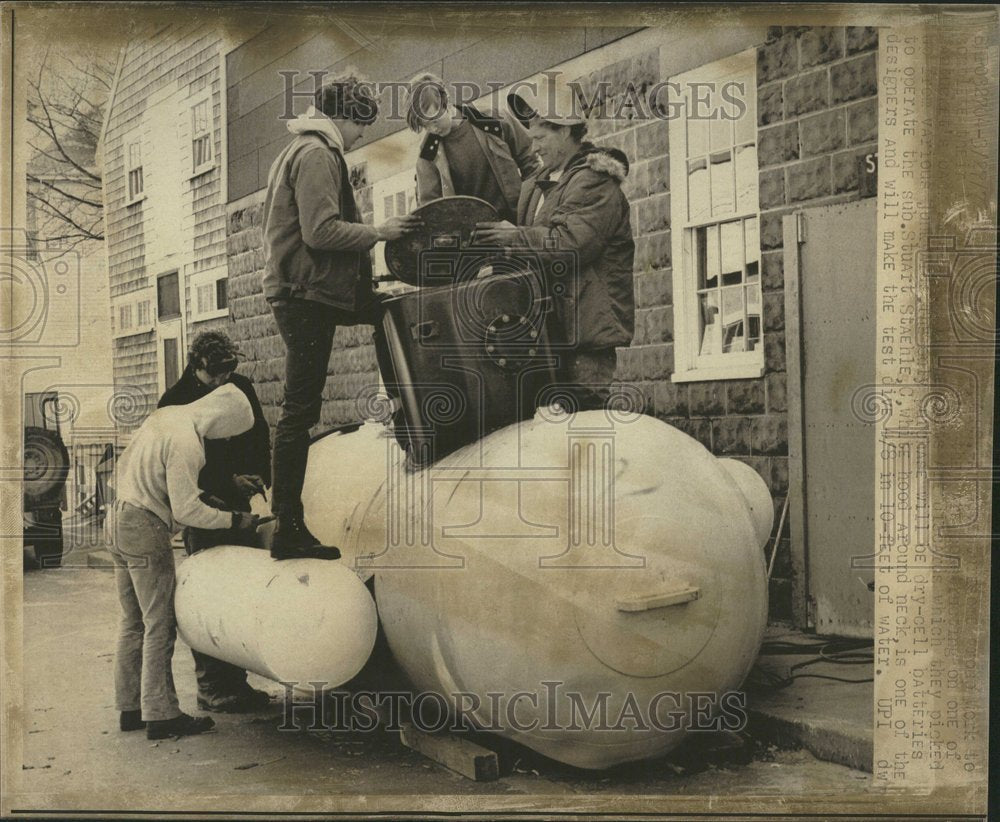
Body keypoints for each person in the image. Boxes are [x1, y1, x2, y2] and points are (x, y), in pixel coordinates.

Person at [262, 73, 420, 558]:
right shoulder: (316, 154)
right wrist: (381, 231)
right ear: (348, 117)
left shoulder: (304, 150)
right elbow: (321, 232)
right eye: (360, 127)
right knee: (300, 410)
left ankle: (409, 417)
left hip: (313, 290)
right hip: (307, 294)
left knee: (390, 309)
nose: (359, 139)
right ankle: (287, 526)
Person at [106, 383, 260, 740]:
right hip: (144, 525)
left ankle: (131, 708)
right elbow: (185, 509)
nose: (225, 439)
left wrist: (208, 496)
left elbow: (146, 475)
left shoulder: (165, 417)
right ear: (222, 420)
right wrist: (236, 520)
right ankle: (161, 714)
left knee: (133, 621)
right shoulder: (189, 441)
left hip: (116, 517)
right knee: (160, 622)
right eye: (230, 432)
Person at [475, 77, 635, 410]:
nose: (534, 147)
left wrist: (514, 237)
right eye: (531, 137)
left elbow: (571, 243)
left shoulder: (595, 180)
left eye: (540, 137)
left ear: (565, 130)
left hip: (584, 336)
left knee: (586, 429)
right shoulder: (536, 184)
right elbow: (530, 250)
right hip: (547, 334)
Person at [157, 330, 272, 714]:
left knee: (239, 594)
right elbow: (183, 472)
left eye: (229, 371)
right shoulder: (175, 401)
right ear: (196, 364)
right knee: (210, 595)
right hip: (206, 506)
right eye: (215, 374)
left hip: (241, 504)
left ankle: (235, 684)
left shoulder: (238, 387)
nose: (223, 381)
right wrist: (226, 482)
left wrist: (256, 473)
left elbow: (258, 433)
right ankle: (211, 686)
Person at [404, 72, 540, 223]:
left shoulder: (493, 120)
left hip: (517, 225)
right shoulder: (427, 155)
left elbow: (532, 163)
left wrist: (530, 214)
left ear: (446, 102)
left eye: (434, 120)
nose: (432, 129)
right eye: (425, 125)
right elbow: (431, 211)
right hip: (471, 240)